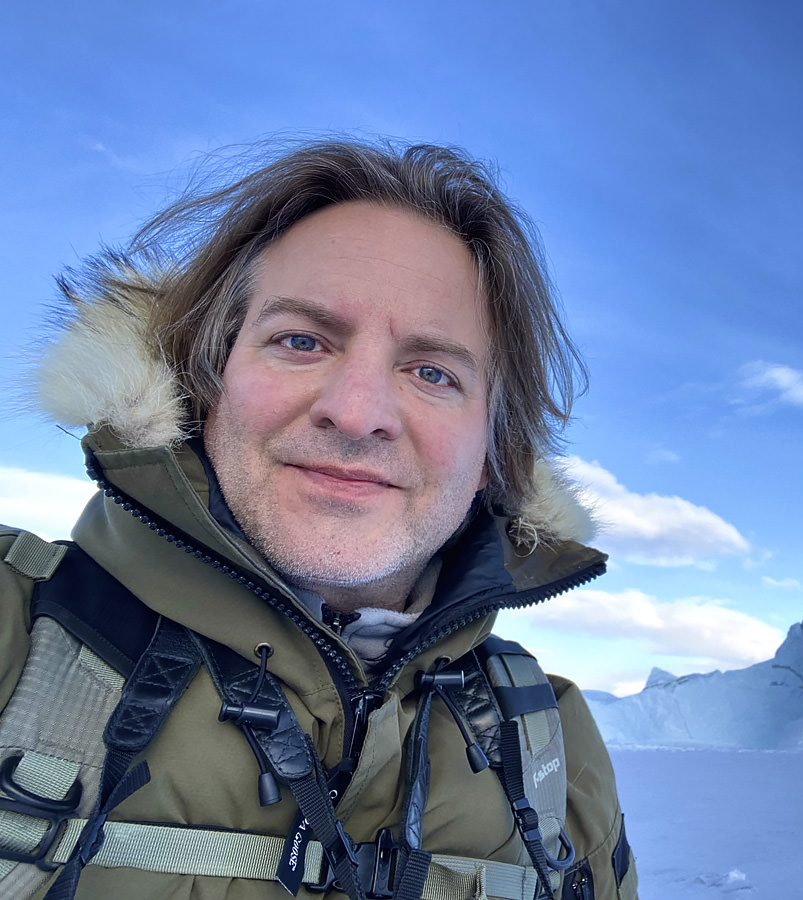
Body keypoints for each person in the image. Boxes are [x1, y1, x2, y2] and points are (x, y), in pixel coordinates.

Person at [0, 140, 637, 900]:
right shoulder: (18, 633)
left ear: (494, 453)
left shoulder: (548, 741)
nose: (358, 412)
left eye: (433, 372)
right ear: (204, 379)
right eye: (300, 341)